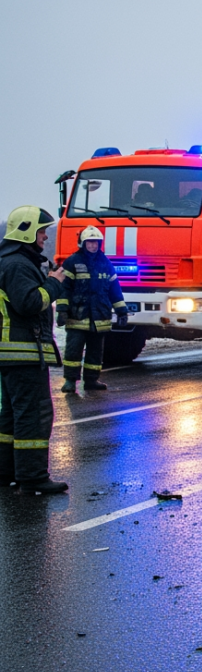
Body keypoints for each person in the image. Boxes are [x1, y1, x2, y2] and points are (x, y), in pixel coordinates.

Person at [0, 206, 68, 494]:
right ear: (26, 232)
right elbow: (29, 303)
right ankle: (33, 479)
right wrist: (53, 284)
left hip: (13, 354)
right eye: (41, 231)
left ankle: (7, 473)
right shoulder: (18, 265)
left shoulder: (11, 262)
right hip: (24, 352)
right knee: (33, 415)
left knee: (11, 416)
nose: (45, 237)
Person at [56, 226, 127, 392]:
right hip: (77, 315)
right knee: (73, 350)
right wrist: (62, 310)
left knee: (95, 352)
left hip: (99, 316)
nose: (93, 246)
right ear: (83, 243)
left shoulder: (105, 263)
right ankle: (70, 381)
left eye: (95, 242)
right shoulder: (72, 261)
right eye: (89, 242)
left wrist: (122, 311)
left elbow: (114, 290)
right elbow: (65, 288)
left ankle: (91, 380)